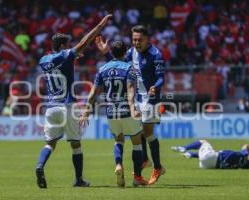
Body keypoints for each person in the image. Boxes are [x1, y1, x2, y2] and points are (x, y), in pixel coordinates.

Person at [35, 14, 112, 189]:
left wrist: (72, 57)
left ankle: (40, 166)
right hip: (66, 105)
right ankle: (78, 180)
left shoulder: (43, 60)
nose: (71, 48)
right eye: (68, 46)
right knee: (76, 143)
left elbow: (59, 60)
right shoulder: (65, 55)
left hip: (50, 107)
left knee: (50, 143)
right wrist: (99, 25)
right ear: (63, 46)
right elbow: (83, 43)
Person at [95, 25, 166, 184]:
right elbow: (117, 64)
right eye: (134, 39)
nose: (136, 43)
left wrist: (156, 86)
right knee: (137, 131)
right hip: (136, 99)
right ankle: (144, 160)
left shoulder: (156, 55)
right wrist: (107, 53)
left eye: (140, 40)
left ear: (148, 40)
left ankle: (158, 167)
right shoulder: (131, 52)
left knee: (148, 133)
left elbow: (161, 77)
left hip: (150, 98)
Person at [79, 40, 148, 187]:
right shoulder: (129, 68)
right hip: (126, 111)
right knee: (137, 142)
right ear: (125, 53)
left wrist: (86, 112)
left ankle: (118, 165)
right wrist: (132, 108)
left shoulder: (102, 69)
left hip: (111, 112)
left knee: (118, 140)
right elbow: (130, 90)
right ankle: (137, 178)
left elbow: (93, 93)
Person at [171, 140, 249, 169]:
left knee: (203, 142)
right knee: (207, 155)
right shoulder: (241, 164)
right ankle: (192, 155)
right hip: (209, 166)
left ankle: (184, 148)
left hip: (213, 158)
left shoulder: (241, 155)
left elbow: (247, 146)